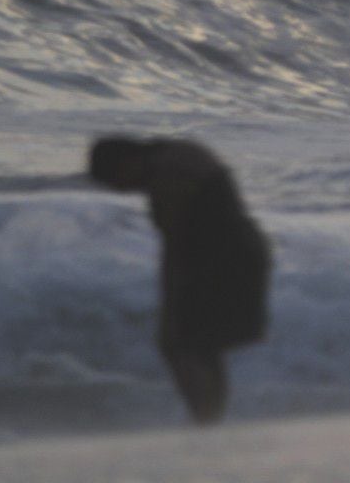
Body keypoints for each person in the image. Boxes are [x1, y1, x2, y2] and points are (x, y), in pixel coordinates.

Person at [88, 137, 272, 424]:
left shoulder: (168, 178)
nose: (119, 190)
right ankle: (209, 419)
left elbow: (175, 248)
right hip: (241, 253)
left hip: (223, 263)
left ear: (125, 162)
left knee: (182, 344)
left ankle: (206, 419)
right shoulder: (176, 154)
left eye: (114, 181)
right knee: (202, 346)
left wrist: (170, 306)